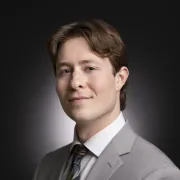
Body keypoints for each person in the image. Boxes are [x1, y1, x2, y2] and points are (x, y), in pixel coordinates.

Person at [33, 19, 180, 180]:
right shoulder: (47, 166)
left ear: (120, 78)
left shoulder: (158, 174)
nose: (75, 83)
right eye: (66, 70)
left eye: (89, 68)